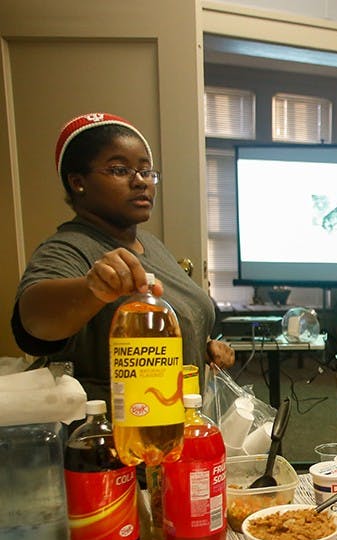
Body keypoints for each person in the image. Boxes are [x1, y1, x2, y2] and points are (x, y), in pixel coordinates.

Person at [12, 112, 234, 405]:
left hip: (172, 422)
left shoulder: (150, 245)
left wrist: (204, 346)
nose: (141, 181)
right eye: (119, 170)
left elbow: (160, 332)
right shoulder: (69, 247)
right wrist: (92, 288)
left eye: (147, 171)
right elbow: (34, 324)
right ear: (78, 182)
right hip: (115, 437)